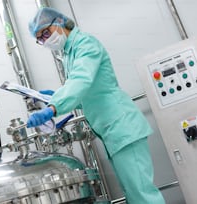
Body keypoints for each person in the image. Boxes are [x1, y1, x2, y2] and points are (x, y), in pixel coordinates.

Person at [27, 7, 165, 204]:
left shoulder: (85, 44)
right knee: (135, 195)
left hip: (122, 126)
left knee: (142, 195)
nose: (45, 40)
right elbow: (89, 94)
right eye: (40, 39)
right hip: (113, 132)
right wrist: (55, 96)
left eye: (46, 33)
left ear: (59, 22)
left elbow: (81, 81)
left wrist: (53, 108)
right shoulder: (69, 53)